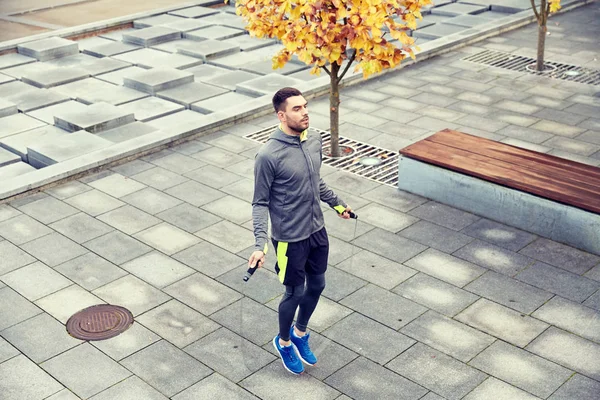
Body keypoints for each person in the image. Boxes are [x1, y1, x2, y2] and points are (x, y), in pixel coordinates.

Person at [248, 87, 353, 375]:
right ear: (281, 115)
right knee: (294, 293)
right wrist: (259, 244)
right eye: (297, 108)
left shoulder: (314, 139)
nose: (305, 111)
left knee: (317, 285)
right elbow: (259, 202)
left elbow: (314, 181)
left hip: (316, 230)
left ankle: (300, 333)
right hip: (289, 238)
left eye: (305, 106)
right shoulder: (268, 155)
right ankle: (283, 342)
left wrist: (337, 205)